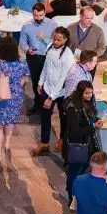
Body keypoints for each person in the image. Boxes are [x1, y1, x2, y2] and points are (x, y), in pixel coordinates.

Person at [0, 37, 29, 168]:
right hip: (16, 97)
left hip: (0, 98)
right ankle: (7, 143)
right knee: (10, 121)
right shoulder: (22, 63)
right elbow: (25, 79)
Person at [32, 26, 75, 156]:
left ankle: (62, 140)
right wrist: (40, 83)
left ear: (65, 39)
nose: (55, 42)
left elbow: (63, 79)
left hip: (60, 92)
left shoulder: (68, 55)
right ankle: (44, 143)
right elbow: (46, 66)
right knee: (45, 117)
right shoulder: (50, 47)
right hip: (47, 87)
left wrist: (51, 98)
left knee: (64, 117)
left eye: (59, 40)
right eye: (54, 39)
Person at [65, 79, 101, 201]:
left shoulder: (87, 103)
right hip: (77, 146)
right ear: (80, 93)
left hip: (86, 146)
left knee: (81, 171)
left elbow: (91, 116)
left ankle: (77, 194)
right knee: (74, 174)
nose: (90, 96)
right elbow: (74, 132)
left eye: (91, 93)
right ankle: (72, 197)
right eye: (87, 93)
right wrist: (92, 127)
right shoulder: (73, 108)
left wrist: (96, 120)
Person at [19, 2, 57, 95]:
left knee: (48, 81)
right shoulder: (26, 26)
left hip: (48, 57)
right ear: (32, 14)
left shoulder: (53, 24)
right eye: (36, 16)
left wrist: (44, 38)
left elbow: (56, 43)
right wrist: (28, 50)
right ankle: (37, 103)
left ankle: (45, 102)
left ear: (45, 13)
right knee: (35, 81)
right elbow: (22, 42)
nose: (39, 18)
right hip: (33, 58)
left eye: (41, 15)